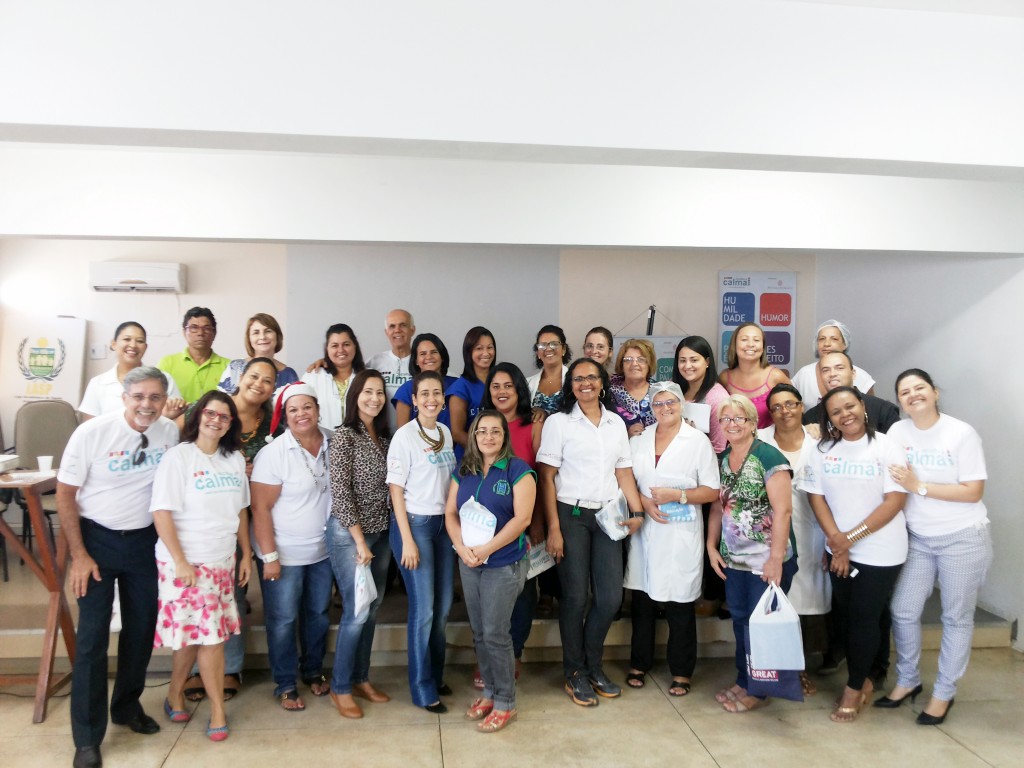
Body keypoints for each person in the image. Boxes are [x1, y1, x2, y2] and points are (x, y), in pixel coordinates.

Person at [56, 367, 179, 768]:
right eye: (139, 396)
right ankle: (87, 737)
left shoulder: (168, 433)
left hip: (144, 542)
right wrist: (80, 554)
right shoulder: (91, 434)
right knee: (92, 640)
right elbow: (65, 494)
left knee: (142, 631)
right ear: (124, 397)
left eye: (156, 397)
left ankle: (126, 707)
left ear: (164, 400)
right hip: (97, 541)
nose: (147, 405)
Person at [876, 369, 992, 726]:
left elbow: (973, 490)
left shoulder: (960, 433)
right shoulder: (898, 431)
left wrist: (919, 485)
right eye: (905, 392)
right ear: (899, 401)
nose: (913, 395)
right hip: (919, 539)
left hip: (962, 536)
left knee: (955, 618)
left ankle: (943, 692)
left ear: (935, 392)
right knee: (904, 610)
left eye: (919, 388)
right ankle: (909, 680)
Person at [536, 358, 645, 707]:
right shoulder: (559, 423)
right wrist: (553, 527)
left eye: (591, 378)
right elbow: (547, 477)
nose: (585, 383)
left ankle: (592, 665)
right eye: (578, 378)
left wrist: (638, 509)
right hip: (572, 514)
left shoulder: (615, 423)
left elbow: (624, 472)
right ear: (571, 385)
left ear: (602, 383)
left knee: (611, 599)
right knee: (575, 597)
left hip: (608, 516)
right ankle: (575, 671)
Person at [801, 386, 908, 723]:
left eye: (850, 406)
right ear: (828, 417)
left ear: (862, 406)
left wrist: (848, 540)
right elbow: (815, 497)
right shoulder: (823, 449)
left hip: (880, 551)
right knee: (847, 617)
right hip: (837, 548)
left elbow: (894, 501)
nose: (844, 414)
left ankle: (855, 686)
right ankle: (862, 677)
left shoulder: (887, 446)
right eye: (836, 411)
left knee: (864, 617)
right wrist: (835, 540)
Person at [178, 356, 280, 704]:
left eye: (267, 380)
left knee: (242, 587)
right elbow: (179, 436)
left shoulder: (273, 421)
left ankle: (231, 668)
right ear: (241, 377)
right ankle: (197, 670)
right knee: (213, 592)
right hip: (214, 515)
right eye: (254, 376)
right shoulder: (215, 408)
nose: (259, 384)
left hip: (262, 511)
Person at [152, 391, 251, 743]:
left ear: (231, 424)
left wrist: (246, 554)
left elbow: (241, 510)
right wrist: (179, 560)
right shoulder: (178, 458)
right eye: (211, 413)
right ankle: (217, 711)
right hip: (186, 563)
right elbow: (161, 512)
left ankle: (174, 693)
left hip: (221, 560)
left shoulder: (234, 459)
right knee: (210, 638)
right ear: (198, 416)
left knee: (197, 636)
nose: (216, 421)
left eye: (224, 417)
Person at [624, 382, 719, 696]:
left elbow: (711, 491)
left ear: (681, 405)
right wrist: (643, 500)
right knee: (642, 601)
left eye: (671, 403)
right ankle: (640, 662)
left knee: (680, 603)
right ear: (651, 408)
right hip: (645, 531)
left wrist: (676, 495)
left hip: (680, 534)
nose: (665, 408)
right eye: (658, 403)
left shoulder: (698, 442)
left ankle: (681, 671)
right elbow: (625, 477)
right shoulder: (639, 441)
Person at [445, 410, 536, 733]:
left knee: (497, 634)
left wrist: (485, 550)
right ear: (473, 436)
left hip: (503, 563)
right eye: (482, 431)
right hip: (469, 563)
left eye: (495, 431)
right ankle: (489, 692)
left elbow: (521, 520)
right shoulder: (465, 470)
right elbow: (450, 513)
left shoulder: (518, 470)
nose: (488, 437)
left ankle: (505, 702)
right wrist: (461, 547)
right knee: (481, 633)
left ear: (504, 436)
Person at [706, 393, 796, 714]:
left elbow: (783, 511)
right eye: (725, 419)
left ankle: (759, 690)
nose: (731, 424)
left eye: (738, 418)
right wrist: (711, 545)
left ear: (753, 423)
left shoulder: (768, 457)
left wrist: (775, 558)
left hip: (767, 559)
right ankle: (745, 680)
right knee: (741, 622)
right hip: (735, 559)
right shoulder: (723, 459)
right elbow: (719, 507)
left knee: (761, 627)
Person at [250, 383, 333, 711]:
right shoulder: (273, 453)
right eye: (293, 410)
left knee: (318, 614)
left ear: (317, 408)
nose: (302, 414)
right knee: (283, 619)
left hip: (323, 552)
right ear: (284, 416)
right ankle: (285, 683)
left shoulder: (333, 442)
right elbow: (260, 509)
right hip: (282, 553)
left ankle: (312, 671)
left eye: (307, 407)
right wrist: (269, 557)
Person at [387, 370, 458, 713]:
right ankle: (421, 686)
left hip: (443, 527)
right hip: (415, 526)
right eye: (424, 394)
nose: (431, 399)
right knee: (424, 609)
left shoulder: (444, 432)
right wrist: (407, 541)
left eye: (437, 393)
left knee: (443, 608)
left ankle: (436, 674)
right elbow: (395, 492)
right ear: (413, 400)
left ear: (443, 399)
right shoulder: (404, 436)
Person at [327, 370, 394, 719]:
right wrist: (358, 542)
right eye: (367, 392)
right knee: (356, 611)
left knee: (373, 607)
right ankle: (340, 687)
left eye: (380, 393)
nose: (374, 398)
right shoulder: (344, 437)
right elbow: (341, 493)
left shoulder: (383, 436)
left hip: (379, 533)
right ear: (355, 396)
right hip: (350, 537)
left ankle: (360, 678)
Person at [760, 383, 831, 697]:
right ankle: (783, 668)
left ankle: (799, 667)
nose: (784, 411)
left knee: (804, 605)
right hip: (769, 537)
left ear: (802, 407)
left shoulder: (821, 442)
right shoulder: (759, 441)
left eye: (790, 404)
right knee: (778, 603)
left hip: (812, 532)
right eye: (776, 407)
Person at [481, 362, 545, 679]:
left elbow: (543, 476)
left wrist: (538, 521)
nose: (502, 392)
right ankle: (491, 657)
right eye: (496, 386)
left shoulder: (532, 424)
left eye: (508, 385)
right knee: (489, 594)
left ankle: (514, 652)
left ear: (519, 388)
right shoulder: (482, 425)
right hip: (483, 529)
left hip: (523, 523)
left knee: (522, 591)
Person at [672, 335, 730, 617]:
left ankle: (713, 595)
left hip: (708, 477)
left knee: (711, 534)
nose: (688, 365)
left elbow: (721, 446)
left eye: (694, 359)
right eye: (682, 360)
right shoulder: (679, 392)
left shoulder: (717, 396)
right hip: (682, 477)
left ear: (707, 362)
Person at [78, 321, 185, 420]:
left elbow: (177, 419)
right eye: (127, 339)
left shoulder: (163, 379)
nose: (133, 345)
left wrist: (166, 416)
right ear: (114, 344)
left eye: (139, 341)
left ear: (145, 347)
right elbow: (89, 427)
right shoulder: (98, 383)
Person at [802, 351, 899, 433]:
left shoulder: (883, 409)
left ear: (853, 374)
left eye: (839, 368)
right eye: (825, 370)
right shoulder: (811, 417)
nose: (832, 374)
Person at [719, 322, 791, 429]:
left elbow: (795, 410)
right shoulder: (724, 378)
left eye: (756, 340)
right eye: (744, 339)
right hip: (733, 443)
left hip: (768, 444)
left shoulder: (776, 376)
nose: (751, 344)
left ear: (763, 346)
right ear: (735, 345)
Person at [790, 320, 877, 407]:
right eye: (822, 339)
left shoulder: (862, 377)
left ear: (844, 344)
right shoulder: (804, 374)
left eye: (834, 339)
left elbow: (872, 412)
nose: (827, 344)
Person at [158, 307, 231, 404]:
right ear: (184, 332)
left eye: (207, 328)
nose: (200, 333)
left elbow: (231, 403)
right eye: (194, 328)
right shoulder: (167, 363)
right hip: (175, 418)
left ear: (214, 333)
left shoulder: (229, 367)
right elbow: (156, 398)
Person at [302, 323, 365, 430]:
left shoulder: (366, 377)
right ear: (327, 349)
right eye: (334, 345)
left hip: (358, 443)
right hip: (322, 443)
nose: (341, 350)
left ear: (355, 345)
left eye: (346, 344)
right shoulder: (313, 376)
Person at [217, 313, 299, 392]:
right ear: (249, 339)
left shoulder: (289, 375)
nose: (262, 337)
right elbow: (221, 402)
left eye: (268, 331)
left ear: (277, 336)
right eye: (256, 332)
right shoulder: (235, 368)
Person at [448, 326, 496, 458]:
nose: (486, 353)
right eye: (479, 348)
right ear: (469, 352)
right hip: (471, 458)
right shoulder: (460, 387)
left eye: (490, 347)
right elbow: (457, 433)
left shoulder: (501, 381)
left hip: (499, 455)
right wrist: (482, 452)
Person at [392, 333, 458, 429]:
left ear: (442, 357)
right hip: (416, 443)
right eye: (423, 354)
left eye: (434, 352)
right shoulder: (406, 390)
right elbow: (402, 433)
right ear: (416, 360)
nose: (429, 357)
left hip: (452, 443)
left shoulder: (457, 385)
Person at [366, 309, 416, 429]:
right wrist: (325, 363)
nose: (397, 330)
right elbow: (348, 370)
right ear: (386, 332)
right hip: (380, 436)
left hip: (413, 436)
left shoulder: (422, 361)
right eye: (392, 326)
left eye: (403, 325)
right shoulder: (374, 362)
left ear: (412, 330)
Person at [609, 338, 657, 438]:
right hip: (621, 451)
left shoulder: (660, 391)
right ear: (622, 365)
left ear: (649, 364)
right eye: (628, 360)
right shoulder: (609, 391)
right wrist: (626, 434)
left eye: (641, 359)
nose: (634, 364)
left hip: (655, 450)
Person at [526, 324, 571, 415]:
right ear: (538, 352)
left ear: (564, 349)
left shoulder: (575, 380)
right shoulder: (527, 383)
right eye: (543, 345)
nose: (548, 349)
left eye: (554, 344)